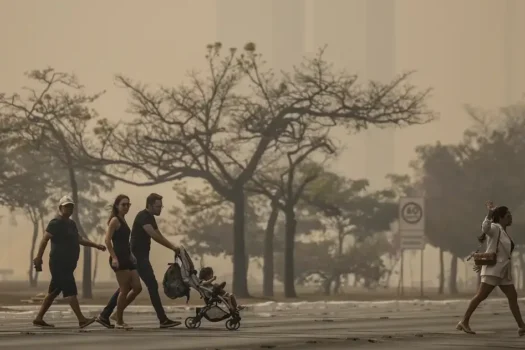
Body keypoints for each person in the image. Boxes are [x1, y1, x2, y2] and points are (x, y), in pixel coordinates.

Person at [96, 193, 181, 329]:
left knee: (130, 287)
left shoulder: (148, 218)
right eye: (158, 206)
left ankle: (108, 314)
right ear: (150, 205)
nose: (160, 209)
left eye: (161, 206)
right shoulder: (142, 217)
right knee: (150, 286)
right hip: (137, 256)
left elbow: (158, 234)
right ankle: (162, 319)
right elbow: (154, 236)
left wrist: (173, 246)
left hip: (133, 256)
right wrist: (172, 247)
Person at [32, 195, 107, 328]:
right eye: (67, 206)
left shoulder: (71, 224)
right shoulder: (55, 223)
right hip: (59, 263)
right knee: (71, 291)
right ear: (60, 208)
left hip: (68, 264)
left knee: (53, 292)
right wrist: (39, 257)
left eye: (71, 206)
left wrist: (96, 245)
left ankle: (38, 318)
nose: (69, 209)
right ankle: (82, 319)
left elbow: (79, 239)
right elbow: (44, 240)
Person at [456, 200, 525, 336]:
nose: (510, 217)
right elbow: (485, 228)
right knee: (481, 296)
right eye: (508, 215)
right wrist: (489, 214)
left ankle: (522, 326)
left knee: (512, 296)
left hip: (503, 272)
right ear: (501, 217)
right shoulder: (495, 228)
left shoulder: (503, 232)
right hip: (494, 270)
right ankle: (464, 321)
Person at [103, 194, 142, 329]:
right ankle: (119, 321)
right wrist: (114, 257)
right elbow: (107, 240)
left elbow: (125, 242)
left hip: (128, 257)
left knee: (137, 287)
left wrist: (131, 254)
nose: (126, 207)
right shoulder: (114, 220)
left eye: (128, 204)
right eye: (123, 204)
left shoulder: (123, 220)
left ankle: (117, 313)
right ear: (117, 206)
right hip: (119, 258)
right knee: (124, 289)